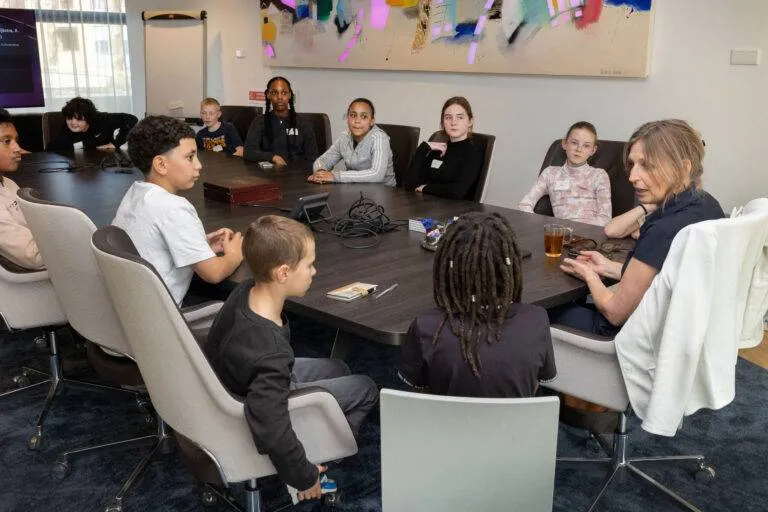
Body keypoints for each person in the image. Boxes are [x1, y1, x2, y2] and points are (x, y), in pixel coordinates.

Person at [204, 215, 378, 501]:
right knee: (367, 387)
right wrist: (302, 475)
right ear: (283, 273)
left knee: (339, 366)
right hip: (255, 399)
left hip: (239, 378)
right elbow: (270, 426)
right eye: (309, 264)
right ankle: (323, 455)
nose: (314, 271)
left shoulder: (245, 289)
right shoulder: (270, 350)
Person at [549, 119, 725, 336]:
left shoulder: (662, 229)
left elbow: (614, 313)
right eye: (633, 164)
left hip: (622, 334)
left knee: (539, 309)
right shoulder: (707, 204)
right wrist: (607, 267)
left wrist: (589, 275)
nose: (632, 177)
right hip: (676, 328)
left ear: (684, 167)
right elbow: (660, 277)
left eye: (647, 166)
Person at [399, 212, 556, 397]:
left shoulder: (425, 326)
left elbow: (420, 389)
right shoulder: (536, 320)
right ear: (511, 265)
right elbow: (535, 384)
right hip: (514, 425)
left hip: (443, 424)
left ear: (447, 267)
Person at [112, 115, 243, 306]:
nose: (198, 165)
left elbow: (152, 245)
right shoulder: (174, 207)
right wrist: (234, 255)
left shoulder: (134, 194)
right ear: (161, 164)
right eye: (190, 157)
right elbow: (214, 273)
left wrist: (200, 244)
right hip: (161, 318)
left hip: (131, 309)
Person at [517, 121, 612, 226]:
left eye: (586, 146)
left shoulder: (599, 175)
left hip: (590, 235)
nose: (579, 149)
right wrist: (543, 227)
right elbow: (524, 204)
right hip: (561, 234)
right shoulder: (550, 173)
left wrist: (583, 230)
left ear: (593, 151)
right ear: (564, 144)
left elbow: (605, 218)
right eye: (574, 143)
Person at [402, 96, 484, 200]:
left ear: (470, 121)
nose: (453, 122)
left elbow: (457, 192)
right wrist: (424, 147)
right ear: (443, 122)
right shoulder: (439, 149)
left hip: (455, 211)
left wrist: (426, 188)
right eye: (448, 117)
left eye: (460, 117)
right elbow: (410, 184)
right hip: (426, 207)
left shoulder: (473, 151)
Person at [308, 98, 395, 186]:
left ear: (372, 121)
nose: (357, 121)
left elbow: (377, 174)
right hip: (355, 191)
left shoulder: (379, 138)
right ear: (347, 118)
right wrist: (320, 173)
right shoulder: (345, 137)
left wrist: (335, 176)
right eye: (353, 115)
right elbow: (324, 160)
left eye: (364, 116)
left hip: (384, 192)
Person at [0, 109, 43, 270]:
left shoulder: (8, 183)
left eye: (16, 140)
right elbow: (33, 256)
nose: (17, 148)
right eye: (6, 141)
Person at [243, 76, 318, 166]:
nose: (279, 97)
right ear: (268, 95)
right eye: (274, 93)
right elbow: (249, 152)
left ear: (290, 95)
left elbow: (312, 157)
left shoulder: (304, 123)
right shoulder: (259, 122)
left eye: (284, 92)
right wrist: (272, 157)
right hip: (268, 176)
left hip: (297, 175)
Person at [47, 97, 137, 151]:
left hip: (105, 163)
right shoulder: (66, 129)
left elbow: (132, 119)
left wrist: (116, 143)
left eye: (79, 119)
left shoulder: (103, 119)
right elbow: (51, 150)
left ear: (89, 118)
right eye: (69, 118)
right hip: (80, 165)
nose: (73, 123)